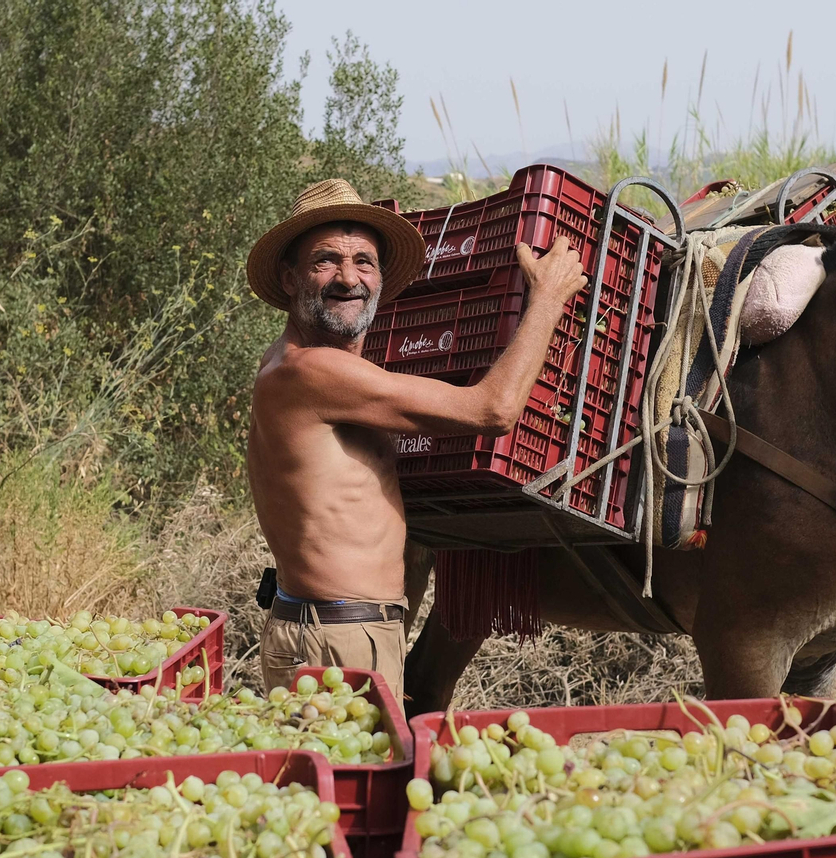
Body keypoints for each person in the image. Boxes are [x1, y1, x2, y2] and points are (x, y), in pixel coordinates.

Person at [244, 179, 587, 698]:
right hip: (337, 641)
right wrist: (548, 298)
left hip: (331, 630)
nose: (348, 277)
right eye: (326, 261)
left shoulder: (295, 362)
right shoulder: (310, 372)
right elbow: (494, 409)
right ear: (290, 279)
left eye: (364, 261)